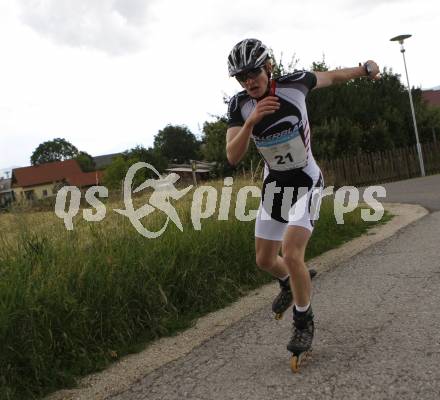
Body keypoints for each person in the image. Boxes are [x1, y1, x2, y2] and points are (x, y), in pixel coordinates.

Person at [225, 38, 380, 364]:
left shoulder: (296, 83)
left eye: (254, 73)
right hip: (275, 186)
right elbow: (232, 155)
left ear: (269, 67)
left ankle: (303, 320)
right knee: (265, 260)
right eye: (242, 77)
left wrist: (364, 69)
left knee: (292, 253)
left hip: (306, 181)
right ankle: (289, 282)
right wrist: (251, 122)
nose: (249, 82)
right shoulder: (240, 105)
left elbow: (334, 76)